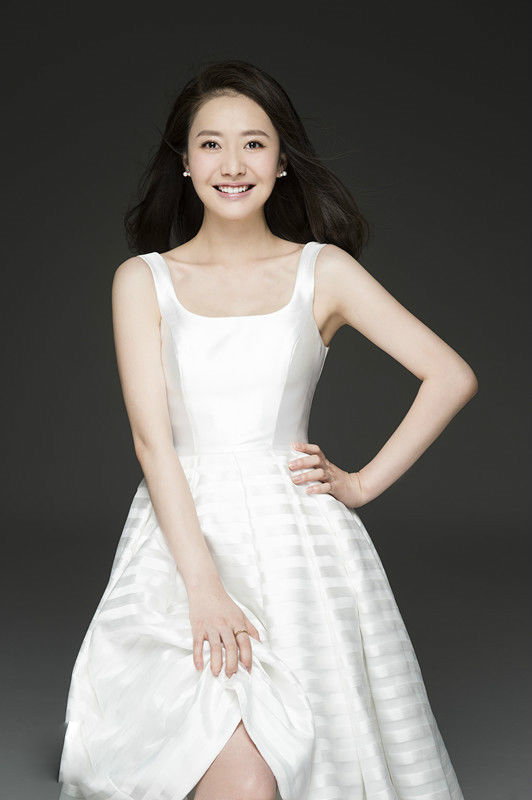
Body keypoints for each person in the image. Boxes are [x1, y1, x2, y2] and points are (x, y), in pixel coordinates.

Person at [58, 59, 475, 800]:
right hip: (181, 541)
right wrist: (204, 589)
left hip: (300, 549)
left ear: (282, 161)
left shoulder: (323, 271)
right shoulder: (143, 280)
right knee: (231, 772)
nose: (232, 164)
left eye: (254, 143)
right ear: (184, 163)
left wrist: (360, 484)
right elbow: (153, 443)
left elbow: (450, 375)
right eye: (210, 144)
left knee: (306, 764)